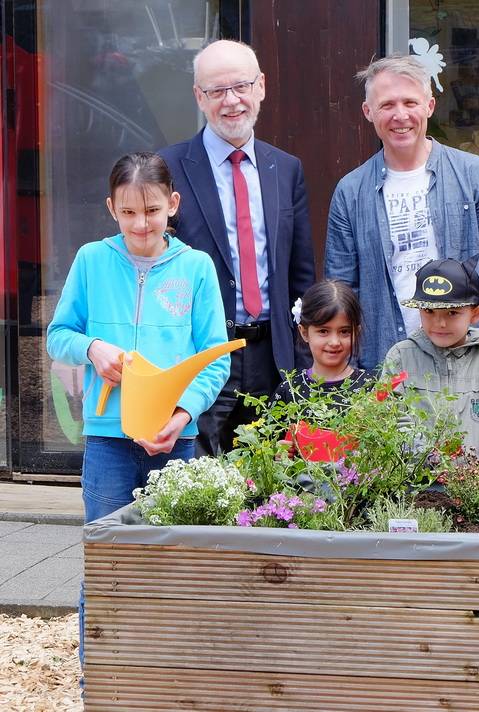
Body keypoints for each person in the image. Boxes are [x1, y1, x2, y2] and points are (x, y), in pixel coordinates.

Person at [45, 151, 230, 663]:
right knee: (106, 564)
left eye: (151, 210)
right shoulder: (91, 260)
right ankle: (100, 680)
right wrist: (92, 348)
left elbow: (213, 360)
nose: (140, 223)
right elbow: (58, 336)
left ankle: (166, 678)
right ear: (111, 209)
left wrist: (182, 416)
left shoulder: (195, 268)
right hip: (108, 440)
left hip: (176, 443)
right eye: (128, 212)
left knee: (174, 565)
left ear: (172, 205)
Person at [159, 39, 314, 456]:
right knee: (200, 482)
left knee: (273, 485)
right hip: (202, 356)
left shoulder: (286, 168)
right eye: (216, 91)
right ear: (199, 97)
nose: (231, 101)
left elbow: (301, 274)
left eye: (241, 87)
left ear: (260, 87)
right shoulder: (167, 169)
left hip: (272, 354)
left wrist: (302, 354)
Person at [326, 55, 479, 372]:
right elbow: (343, 294)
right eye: (387, 105)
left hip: (471, 365)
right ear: (368, 112)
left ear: (429, 106)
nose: (400, 115)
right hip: (386, 366)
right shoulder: (350, 192)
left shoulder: (472, 174)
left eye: (410, 102)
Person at [383, 257, 479, 460]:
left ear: (475, 314)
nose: (440, 323)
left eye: (452, 312)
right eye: (429, 311)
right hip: (417, 484)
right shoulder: (400, 357)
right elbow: (391, 417)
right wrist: (423, 456)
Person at [273, 280, 371, 405]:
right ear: (304, 332)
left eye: (344, 331)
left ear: (356, 332)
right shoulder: (290, 392)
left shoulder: (371, 388)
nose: (334, 342)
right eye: (323, 331)